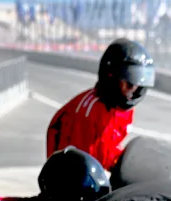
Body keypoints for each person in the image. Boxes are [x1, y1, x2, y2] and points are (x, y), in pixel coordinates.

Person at [46, 38, 155, 169]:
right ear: (111, 76)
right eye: (129, 82)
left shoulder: (123, 109)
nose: (133, 88)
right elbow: (84, 163)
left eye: (137, 84)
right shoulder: (91, 111)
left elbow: (107, 152)